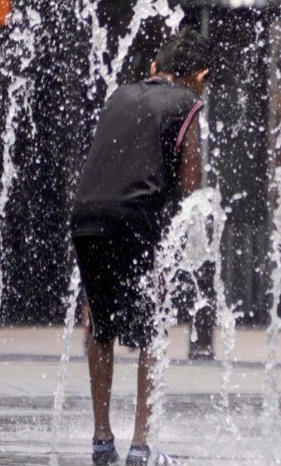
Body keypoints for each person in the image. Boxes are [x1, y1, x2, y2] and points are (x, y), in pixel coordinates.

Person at [70, 28, 212, 466]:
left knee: (100, 324)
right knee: (153, 329)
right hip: (136, 219)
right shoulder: (188, 103)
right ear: (200, 77)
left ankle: (100, 440)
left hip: (85, 216)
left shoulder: (118, 95)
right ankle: (141, 446)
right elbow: (191, 184)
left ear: (153, 70)